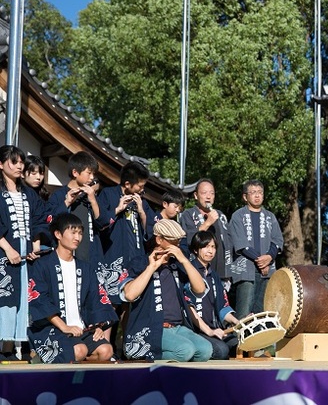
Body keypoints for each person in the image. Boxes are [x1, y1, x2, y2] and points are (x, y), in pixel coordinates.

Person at [27, 213, 117, 363]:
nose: (78, 237)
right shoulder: (42, 265)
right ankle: (44, 356)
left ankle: (78, 374)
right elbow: (40, 300)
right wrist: (64, 327)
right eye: (73, 232)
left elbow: (95, 299)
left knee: (106, 351)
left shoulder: (85, 268)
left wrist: (97, 326)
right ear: (58, 234)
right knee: (79, 350)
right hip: (52, 328)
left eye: (80, 233)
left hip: (81, 330)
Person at [119, 219, 212, 362]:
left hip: (178, 328)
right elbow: (129, 295)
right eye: (173, 241)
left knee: (206, 350)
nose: (177, 245)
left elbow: (200, 290)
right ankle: (140, 354)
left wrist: (185, 261)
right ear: (159, 239)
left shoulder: (178, 264)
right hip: (151, 328)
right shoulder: (140, 262)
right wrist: (151, 267)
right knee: (185, 350)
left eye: (178, 241)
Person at [0, 145, 52, 358]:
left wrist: (36, 246)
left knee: (23, 298)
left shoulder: (29, 194)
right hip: (3, 253)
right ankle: (3, 346)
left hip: (26, 254)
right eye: (14, 161)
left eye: (21, 161)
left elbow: (39, 220)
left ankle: (13, 347)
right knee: (5, 298)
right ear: (1, 165)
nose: (20, 166)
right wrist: (7, 248)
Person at [98, 160, 156, 304]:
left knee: (131, 306)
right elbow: (99, 222)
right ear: (128, 184)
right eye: (140, 185)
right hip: (114, 258)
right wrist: (118, 209)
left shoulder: (142, 201)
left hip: (136, 259)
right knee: (110, 306)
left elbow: (152, 229)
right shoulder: (108, 194)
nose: (142, 189)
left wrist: (142, 212)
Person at [229, 180, 284, 319]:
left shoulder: (270, 217)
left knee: (264, 312)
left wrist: (269, 258)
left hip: (268, 270)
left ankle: (263, 341)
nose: (257, 196)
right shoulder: (238, 216)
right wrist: (261, 261)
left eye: (260, 192)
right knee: (244, 312)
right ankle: (239, 341)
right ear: (245, 196)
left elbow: (277, 241)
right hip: (246, 270)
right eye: (253, 192)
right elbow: (240, 243)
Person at [48, 151, 108, 273]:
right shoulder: (59, 195)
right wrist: (67, 202)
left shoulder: (92, 196)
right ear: (75, 172)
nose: (92, 178)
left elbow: (104, 223)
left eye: (93, 174)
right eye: (89, 173)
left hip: (93, 257)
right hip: (67, 258)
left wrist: (93, 200)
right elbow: (50, 221)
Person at [186, 230, 241, 360]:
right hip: (198, 329)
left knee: (240, 344)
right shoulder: (189, 271)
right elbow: (189, 307)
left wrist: (237, 322)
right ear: (195, 249)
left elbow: (222, 307)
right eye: (205, 246)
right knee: (221, 351)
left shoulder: (214, 275)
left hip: (215, 328)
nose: (210, 251)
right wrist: (209, 331)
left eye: (213, 247)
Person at [179, 179, 233, 287]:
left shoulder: (220, 216)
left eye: (211, 193)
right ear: (196, 195)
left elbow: (229, 242)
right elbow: (188, 240)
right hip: (197, 273)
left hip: (220, 273)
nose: (208, 196)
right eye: (204, 193)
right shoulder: (188, 215)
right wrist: (207, 223)